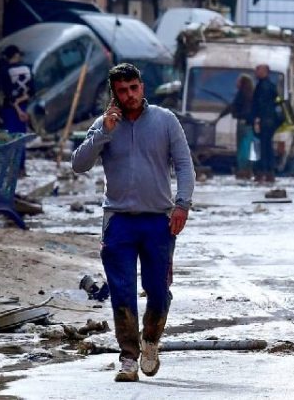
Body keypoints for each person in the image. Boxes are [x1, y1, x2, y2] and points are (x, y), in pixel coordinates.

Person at [71, 63, 195, 383]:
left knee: (157, 290)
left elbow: (184, 165)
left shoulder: (166, 121)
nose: (129, 96)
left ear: (142, 87)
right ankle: (128, 356)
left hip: (159, 220)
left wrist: (182, 205)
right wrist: (103, 133)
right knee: (122, 290)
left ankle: (150, 339)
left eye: (134, 88)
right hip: (119, 221)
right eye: (122, 91)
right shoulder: (104, 125)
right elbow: (79, 164)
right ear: (114, 93)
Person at [250, 64, 282, 183]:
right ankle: (268, 171)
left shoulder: (263, 86)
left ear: (265, 72)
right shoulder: (270, 86)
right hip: (270, 121)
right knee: (267, 146)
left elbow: (261, 105)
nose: (256, 72)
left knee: (263, 147)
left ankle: (264, 172)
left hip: (265, 121)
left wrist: (257, 119)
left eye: (258, 70)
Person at [227, 74, 256, 180]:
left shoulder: (241, 94)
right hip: (250, 124)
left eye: (238, 81)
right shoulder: (252, 94)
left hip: (242, 123)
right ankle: (248, 169)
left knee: (242, 148)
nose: (236, 83)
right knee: (248, 147)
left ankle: (242, 170)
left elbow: (233, 107)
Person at [0, 45, 32, 134]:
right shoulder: (27, 68)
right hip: (24, 106)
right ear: (17, 55)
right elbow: (32, 91)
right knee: (22, 135)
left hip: (10, 109)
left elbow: (8, 93)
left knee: (11, 136)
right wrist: (22, 101)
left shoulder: (4, 71)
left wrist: (18, 110)